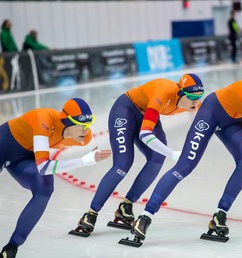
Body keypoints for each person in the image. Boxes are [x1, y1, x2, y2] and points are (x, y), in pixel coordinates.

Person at [126, 76, 242, 245]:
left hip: (233, 120)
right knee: (184, 166)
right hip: (211, 113)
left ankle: (220, 215)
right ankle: (145, 217)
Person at [71, 73, 205, 237]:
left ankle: (126, 206)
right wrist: (173, 154)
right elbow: (145, 135)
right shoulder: (162, 94)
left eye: (199, 97)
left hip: (145, 113)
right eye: (192, 97)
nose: (195, 102)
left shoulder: (195, 103)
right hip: (126, 109)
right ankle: (90, 214)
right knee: (123, 165)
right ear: (180, 93)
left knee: (157, 159)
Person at [0, 98, 112, 258]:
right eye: (80, 125)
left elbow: (42, 169)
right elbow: (44, 167)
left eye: (87, 124)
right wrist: (85, 160)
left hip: (24, 158)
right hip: (2, 144)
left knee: (45, 188)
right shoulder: (44, 119)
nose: (85, 130)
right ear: (66, 121)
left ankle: (11, 248)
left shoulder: (82, 138)